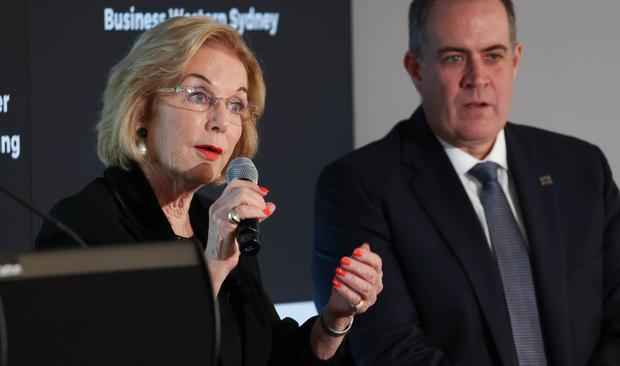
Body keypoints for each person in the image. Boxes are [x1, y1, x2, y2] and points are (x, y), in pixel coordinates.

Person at [313, 0, 620, 365]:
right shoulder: (358, 187)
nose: (478, 77)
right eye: (455, 58)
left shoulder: (582, 169)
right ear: (416, 68)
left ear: (515, 60)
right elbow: (391, 351)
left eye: (493, 56)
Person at [35, 16, 383, 365]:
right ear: (142, 110)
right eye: (199, 95)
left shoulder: (211, 220)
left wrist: (334, 319)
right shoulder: (83, 225)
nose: (220, 121)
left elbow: (267, 356)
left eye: (235, 105)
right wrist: (213, 265)